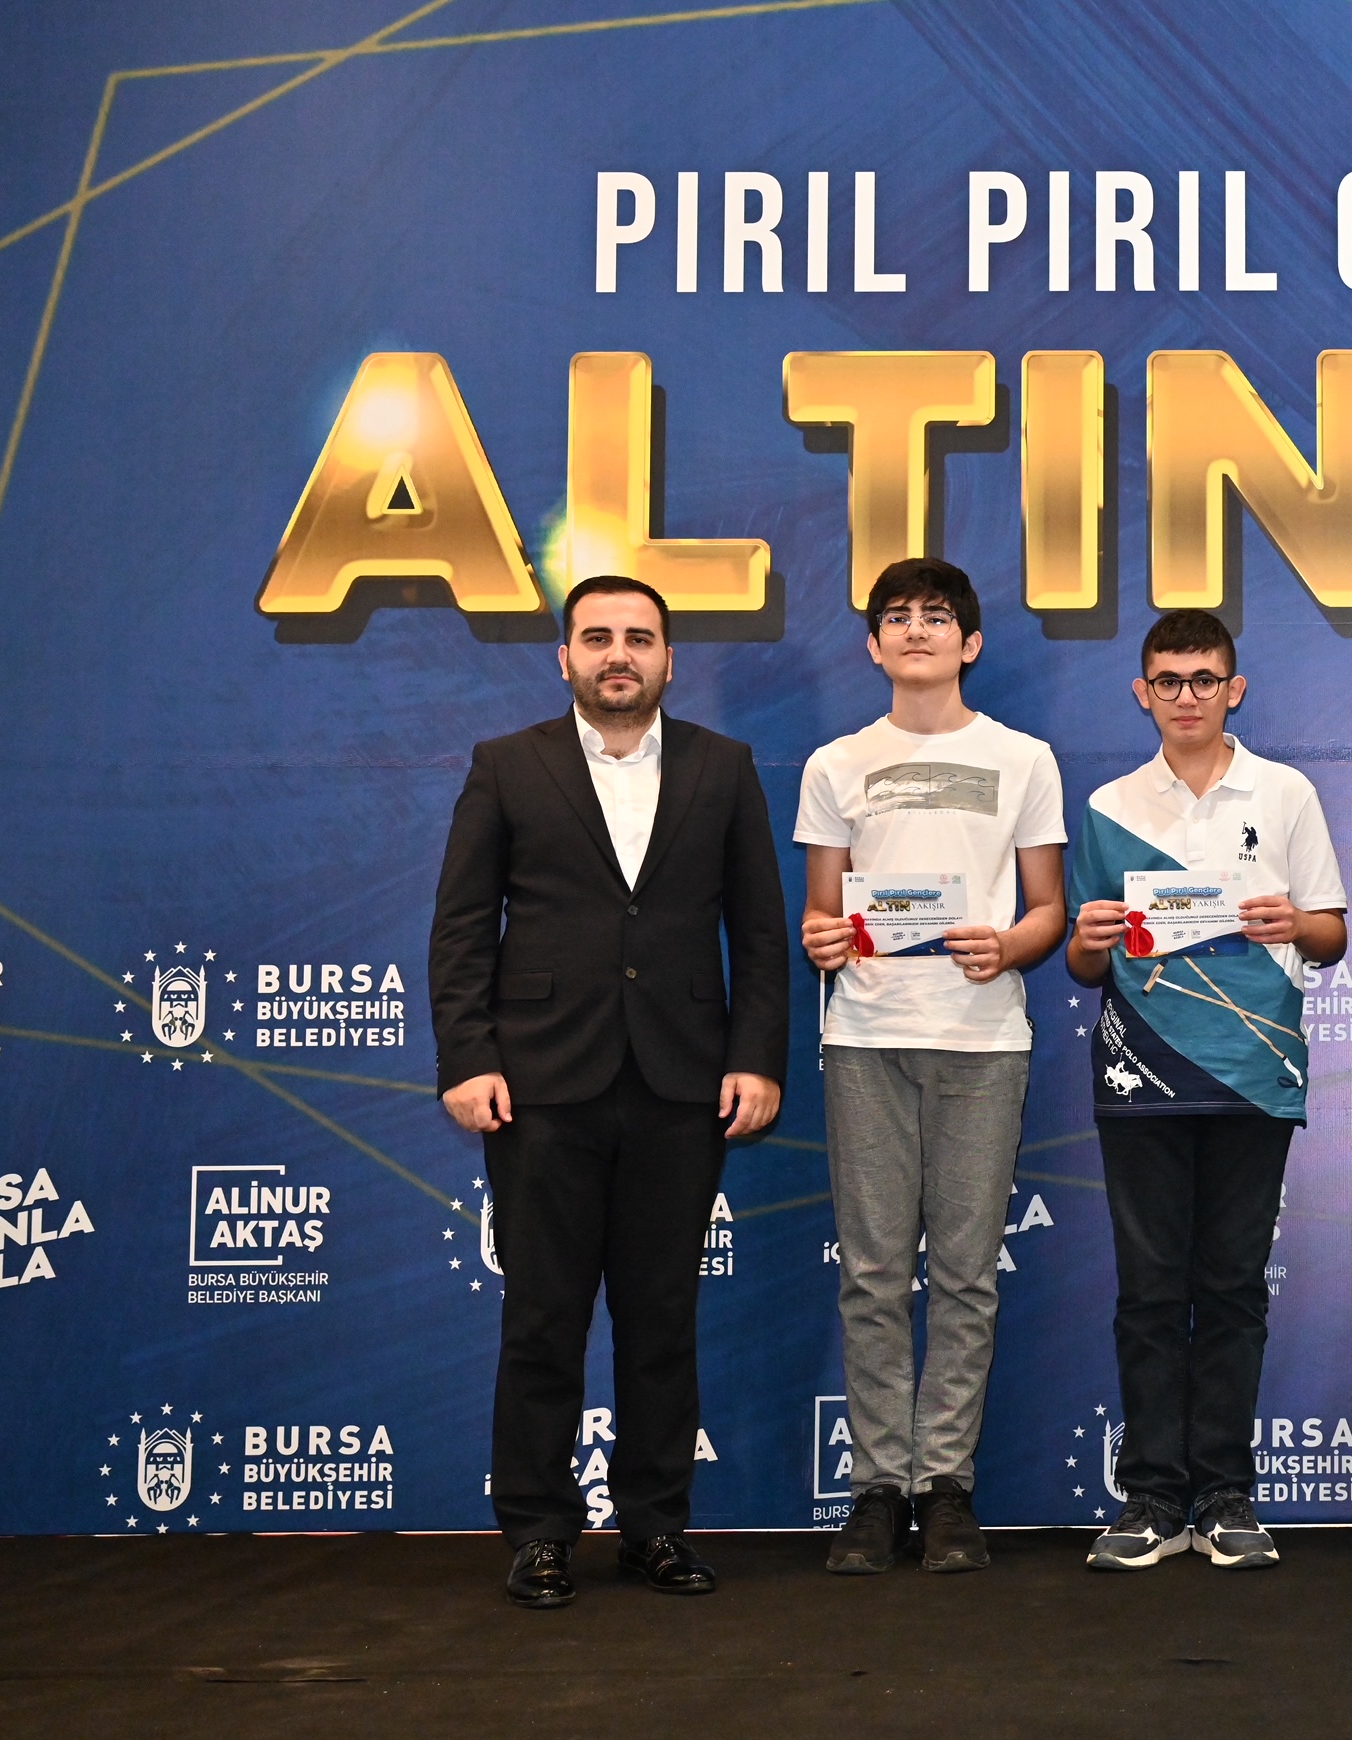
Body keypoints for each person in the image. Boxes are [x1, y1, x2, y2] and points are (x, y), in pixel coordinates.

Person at [429, 574, 789, 1609]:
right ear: (566, 659)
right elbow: (462, 927)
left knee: (661, 1317)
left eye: (638, 637)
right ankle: (539, 1533)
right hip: (540, 1086)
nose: (618, 654)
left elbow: (760, 932)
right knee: (543, 1318)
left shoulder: (724, 767)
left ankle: (655, 1527)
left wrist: (756, 1056)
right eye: (597, 638)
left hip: (682, 1083)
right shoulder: (508, 765)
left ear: (670, 659)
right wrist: (468, 1058)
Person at [795, 558, 1068, 1575]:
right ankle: (877, 1488)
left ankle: (945, 1486)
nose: (917, 630)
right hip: (867, 1037)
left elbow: (1046, 909)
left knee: (964, 1275)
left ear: (971, 643)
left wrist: (1011, 944)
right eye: (898, 617)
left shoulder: (1023, 758)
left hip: (982, 1041)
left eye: (938, 616)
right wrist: (824, 938)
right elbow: (822, 913)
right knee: (872, 1275)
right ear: (873, 646)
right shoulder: (835, 764)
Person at [1065, 609, 1348, 1570]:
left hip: (1252, 1074)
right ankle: (1150, 1497)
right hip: (1140, 1070)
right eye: (1168, 680)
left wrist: (1290, 922)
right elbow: (1082, 962)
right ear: (1142, 693)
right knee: (1150, 1293)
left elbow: (1332, 933)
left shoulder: (1287, 791)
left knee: (1231, 1290)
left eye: (1204, 678)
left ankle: (1225, 1493)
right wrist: (1090, 939)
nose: (1186, 696)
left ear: (1235, 688)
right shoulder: (1109, 805)